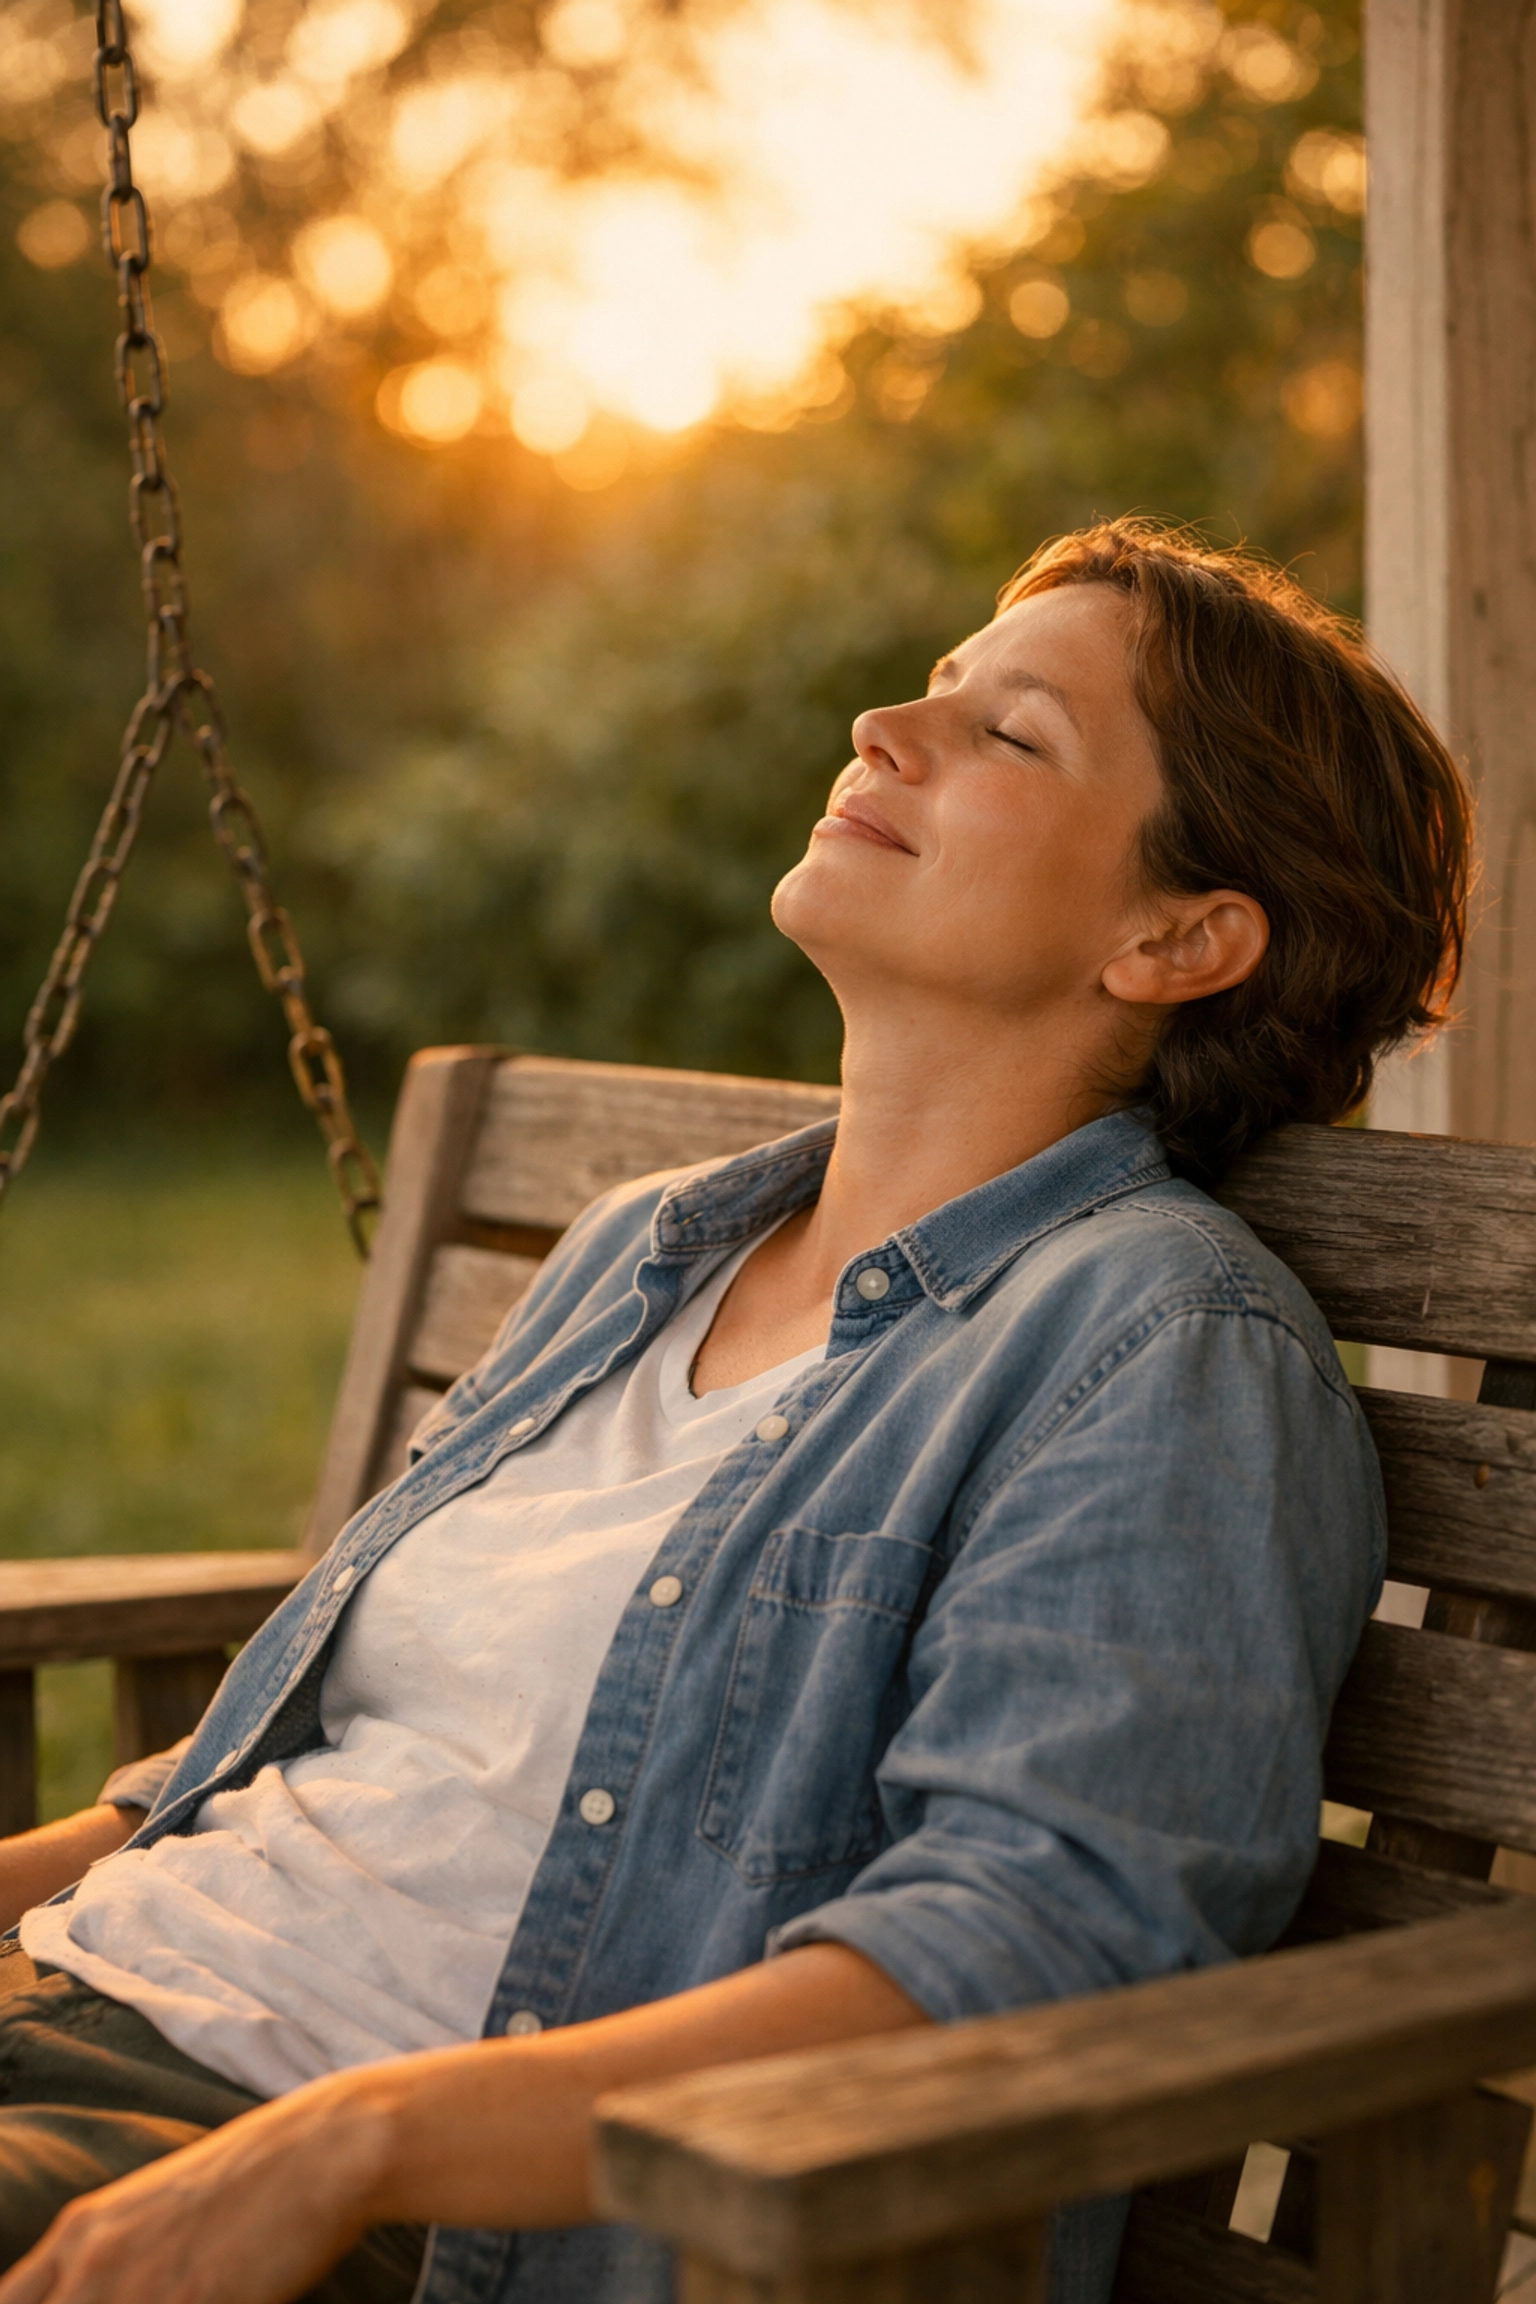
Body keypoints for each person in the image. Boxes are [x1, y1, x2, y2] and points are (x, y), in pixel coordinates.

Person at [0, 519, 1468, 2304]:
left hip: (337, 2192)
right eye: (934, 690)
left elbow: (1029, 1948)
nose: (878, 729)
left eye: (1011, 735)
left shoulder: (1162, 1347)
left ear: (1177, 936)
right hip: (83, 2024)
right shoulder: (648, 1247)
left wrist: (353, 2142)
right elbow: (338, 1764)